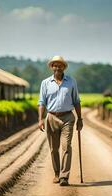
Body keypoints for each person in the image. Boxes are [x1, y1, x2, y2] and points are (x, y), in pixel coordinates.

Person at [38, 55, 83, 186]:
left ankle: (64, 176)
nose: (57, 67)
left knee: (66, 146)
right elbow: (41, 102)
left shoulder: (71, 82)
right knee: (53, 149)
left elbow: (76, 101)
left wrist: (80, 119)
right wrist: (40, 119)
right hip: (51, 117)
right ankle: (57, 173)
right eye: (55, 65)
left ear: (64, 67)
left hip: (67, 117)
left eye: (60, 65)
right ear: (52, 67)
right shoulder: (45, 83)